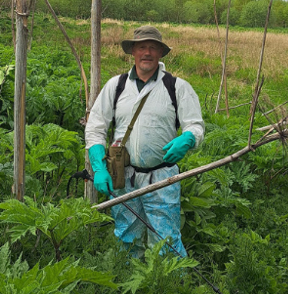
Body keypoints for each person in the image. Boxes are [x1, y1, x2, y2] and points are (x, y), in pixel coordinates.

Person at [85, 25, 205, 257]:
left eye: (152, 47)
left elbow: (196, 125)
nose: (147, 53)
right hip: (123, 176)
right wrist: (99, 169)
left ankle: (169, 287)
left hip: (163, 177)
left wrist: (188, 138)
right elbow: (95, 129)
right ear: (133, 52)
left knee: (166, 241)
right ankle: (131, 285)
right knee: (126, 235)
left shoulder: (177, 87)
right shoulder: (116, 86)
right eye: (142, 47)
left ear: (161, 53)